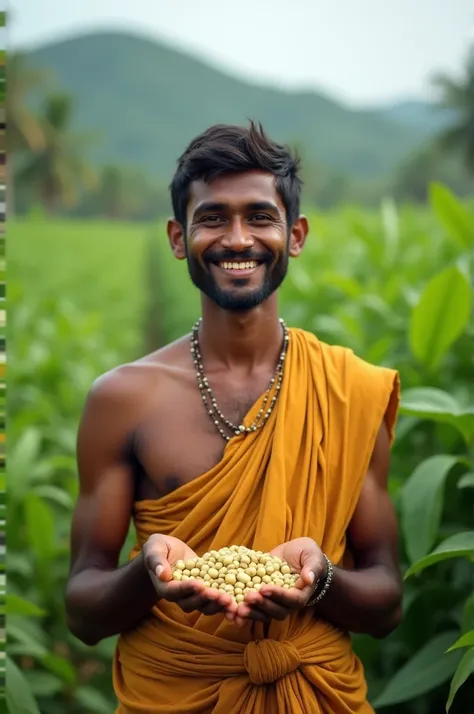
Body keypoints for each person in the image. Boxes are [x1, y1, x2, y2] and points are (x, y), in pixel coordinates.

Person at [65, 121, 403, 714]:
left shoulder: (347, 391)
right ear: (178, 237)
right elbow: (83, 611)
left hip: (314, 692)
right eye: (214, 218)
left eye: (260, 216)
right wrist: (148, 575)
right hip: (172, 691)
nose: (238, 238)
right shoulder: (122, 399)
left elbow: (386, 602)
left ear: (295, 235)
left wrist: (320, 580)